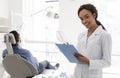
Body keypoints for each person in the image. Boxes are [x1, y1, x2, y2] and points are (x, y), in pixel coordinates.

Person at [73, 3, 112, 78]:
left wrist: (89, 62)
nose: (84, 21)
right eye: (81, 19)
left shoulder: (104, 35)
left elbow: (107, 62)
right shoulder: (81, 35)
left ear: (94, 15)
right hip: (77, 74)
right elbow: (79, 57)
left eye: (86, 17)